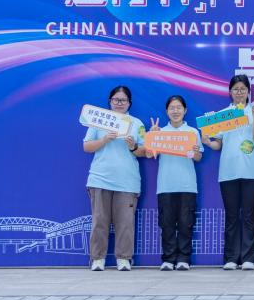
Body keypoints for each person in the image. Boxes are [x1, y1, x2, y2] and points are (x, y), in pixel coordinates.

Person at [202, 74, 254, 270]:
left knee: (248, 215)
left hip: (252, 172)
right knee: (231, 216)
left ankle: (248, 258)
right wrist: (207, 141)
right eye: (236, 89)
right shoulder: (224, 115)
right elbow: (218, 144)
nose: (239, 92)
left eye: (243, 89)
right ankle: (231, 258)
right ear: (230, 92)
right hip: (228, 172)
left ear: (248, 92)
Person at [82, 84, 146, 271]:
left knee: (125, 223)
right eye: (116, 100)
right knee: (99, 221)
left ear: (129, 103)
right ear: (110, 101)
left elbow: (144, 151)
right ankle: (97, 259)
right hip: (100, 179)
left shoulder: (137, 123)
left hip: (127, 181)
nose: (119, 103)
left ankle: (124, 258)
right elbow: (86, 146)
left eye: (123, 100)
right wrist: (104, 140)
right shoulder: (98, 120)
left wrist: (133, 146)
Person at [146, 94, 202, 271]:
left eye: (179, 107)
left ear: (185, 110)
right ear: (167, 111)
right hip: (166, 185)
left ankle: (184, 258)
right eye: (172, 108)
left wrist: (195, 152)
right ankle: (169, 259)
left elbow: (198, 157)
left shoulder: (192, 132)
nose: (175, 111)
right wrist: (152, 136)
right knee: (167, 224)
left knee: (186, 223)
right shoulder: (160, 132)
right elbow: (149, 154)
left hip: (187, 185)